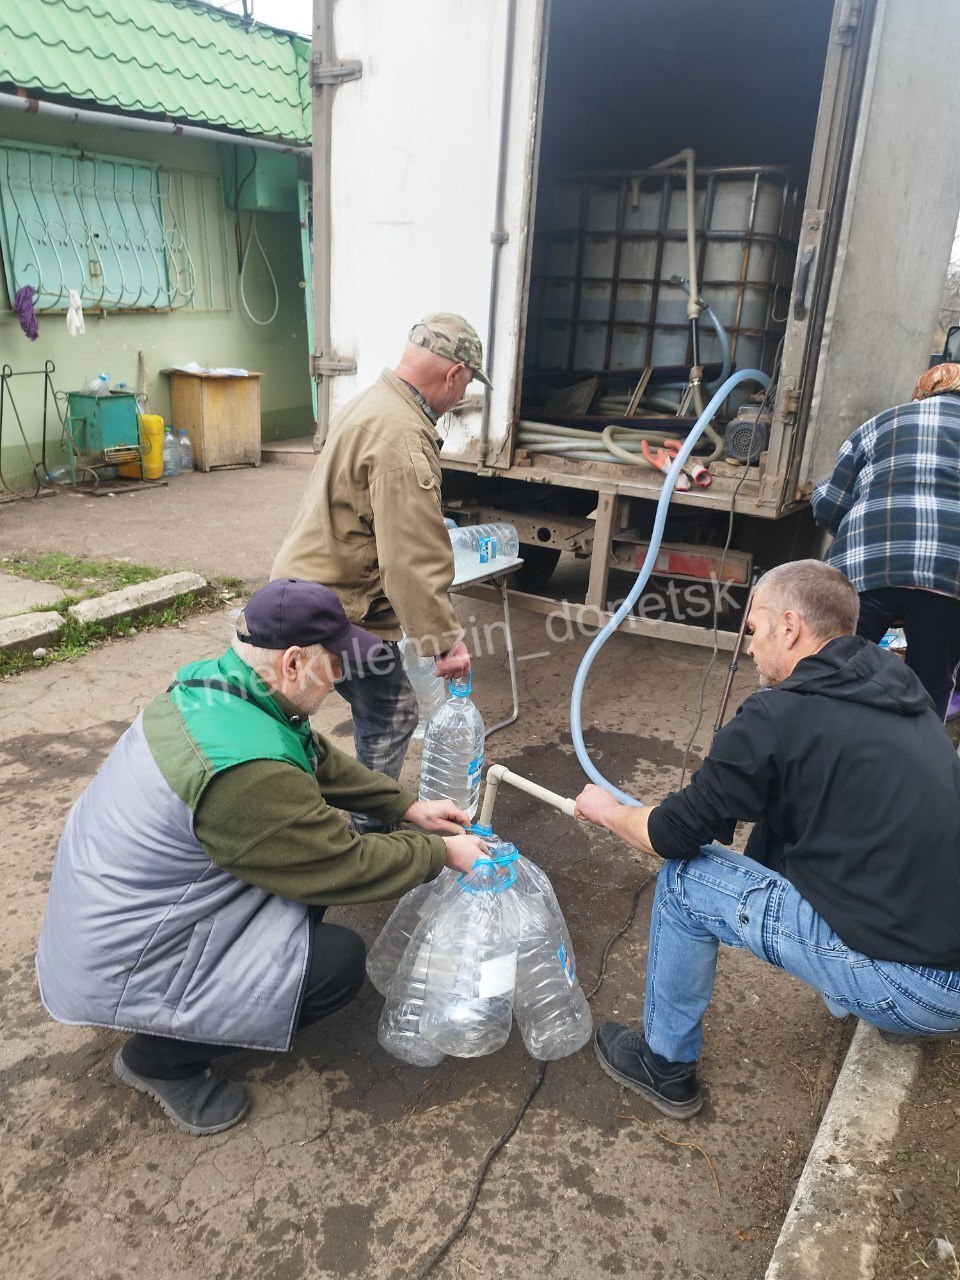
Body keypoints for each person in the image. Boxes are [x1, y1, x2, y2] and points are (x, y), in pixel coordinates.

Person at [36, 578, 488, 1137]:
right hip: (121, 957)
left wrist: (408, 805)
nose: (343, 677)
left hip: (116, 907)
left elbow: (309, 752)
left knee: (300, 897)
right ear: (294, 662)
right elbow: (339, 862)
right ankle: (159, 1058)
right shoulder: (246, 776)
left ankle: (185, 1010)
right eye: (335, 663)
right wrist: (441, 851)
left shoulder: (219, 683)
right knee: (335, 963)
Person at [574, 560, 960, 1121]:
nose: (747, 648)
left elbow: (669, 834)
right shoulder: (900, 692)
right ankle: (883, 1001)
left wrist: (608, 810)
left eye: (752, 630)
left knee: (686, 881)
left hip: (912, 988)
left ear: (789, 626)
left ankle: (665, 1066)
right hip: (947, 966)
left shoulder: (778, 717)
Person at [272, 314, 492, 830]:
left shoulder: (376, 403)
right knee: (390, 711)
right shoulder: (402, 437)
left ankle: (317, 808)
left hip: (307, 589)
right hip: (333, 605)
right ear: (454, 374)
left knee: (289, 706)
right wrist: (444, 641)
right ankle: (367, 833)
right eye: (465, 386)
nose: (460, 399)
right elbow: (410, 559)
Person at [811, 362, 960, 721]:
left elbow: (831, 507)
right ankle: (912, 761)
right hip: (952, 577)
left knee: (831, 669)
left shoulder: (877, 424)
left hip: (868, 564)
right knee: (929, 686)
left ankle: (813, 744)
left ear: (922, 392)